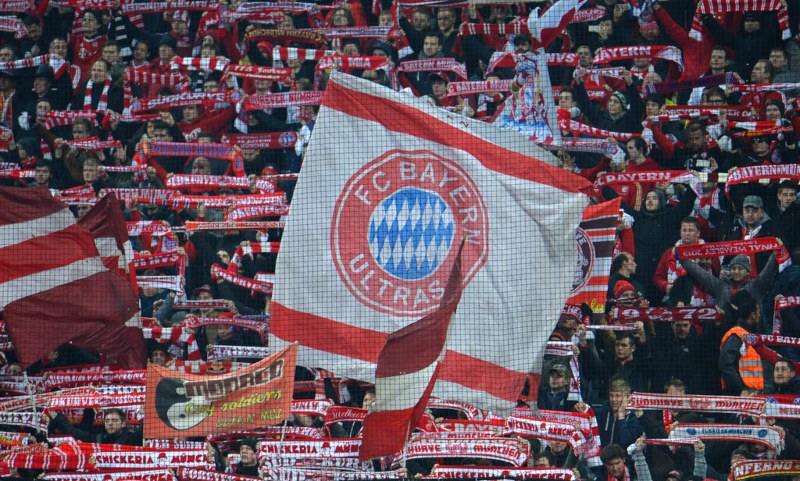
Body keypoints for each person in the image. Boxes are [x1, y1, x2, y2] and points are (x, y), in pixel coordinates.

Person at [719, 290, 765, 395]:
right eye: (758, 311)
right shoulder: (737, 335)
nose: (759, 315)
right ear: (753, 315)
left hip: (753, 393)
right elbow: (725, 364)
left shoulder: (751, 335)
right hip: (738, 395)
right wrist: (741, 388)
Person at [47, 408, 142, 445]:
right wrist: (54, 414)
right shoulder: (97, 438)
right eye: (107, 421)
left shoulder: (132, 439)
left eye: (114, 420)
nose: (110, 423)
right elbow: (71, 430)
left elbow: (145, 429)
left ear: (123, 423)